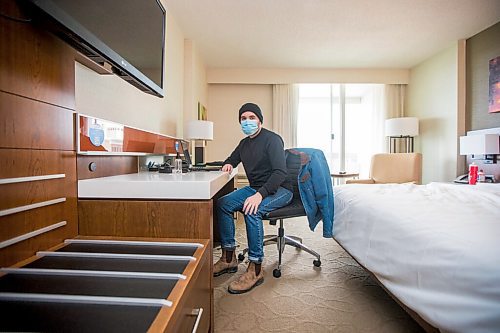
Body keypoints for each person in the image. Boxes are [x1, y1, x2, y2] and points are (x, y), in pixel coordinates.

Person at [215, 102, 293, 294]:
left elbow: (280, 173)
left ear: (259, 120)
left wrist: (259, 195)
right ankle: (228, 257)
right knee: (223, 203)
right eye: (243, 118)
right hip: (257, 188)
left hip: (280, 188)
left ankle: (256, 267)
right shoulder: (244, 144)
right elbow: (231, 159)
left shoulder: (272, 140)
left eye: (252, 118)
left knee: (252, 209)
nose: (247, 121)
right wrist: (227, 165)